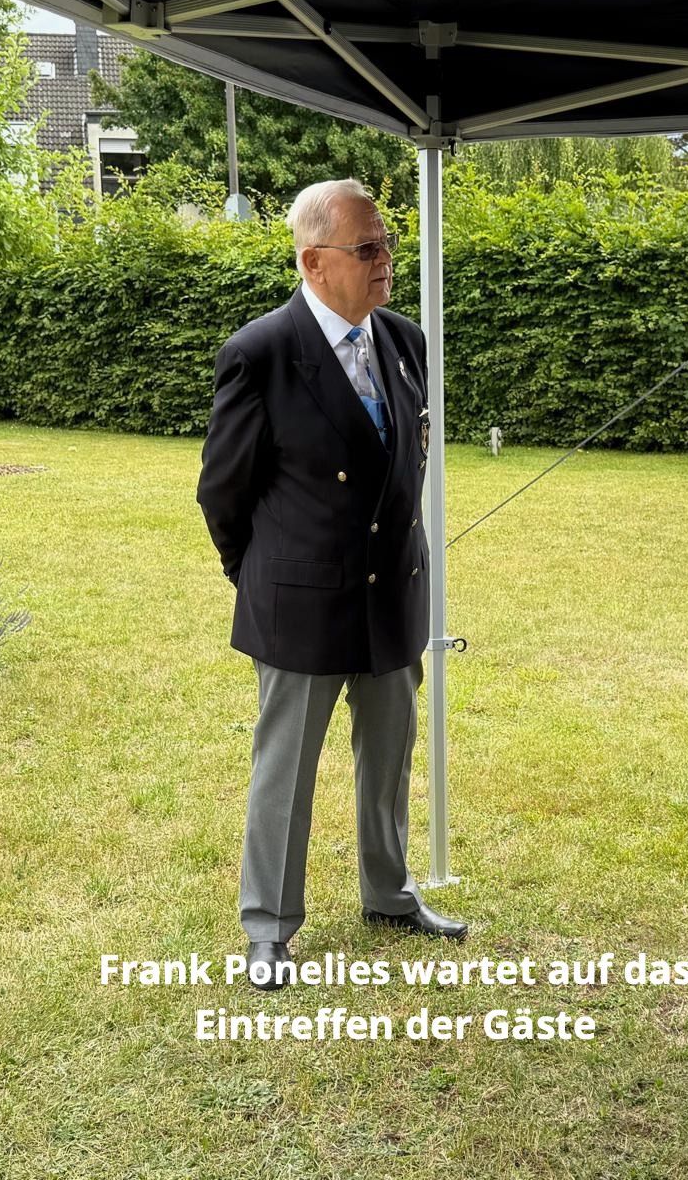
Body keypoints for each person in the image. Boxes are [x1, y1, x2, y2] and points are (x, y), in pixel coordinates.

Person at [196, 178, 467, 992]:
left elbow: (405, 462)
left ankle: (389, 894)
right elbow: (223, 491)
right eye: (368, 248)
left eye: (388, 244)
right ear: (315, 262)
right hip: (300, 603)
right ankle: (269, 926)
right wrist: (260, 577)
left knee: (388, 757)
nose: (387, 261)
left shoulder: (405, 340)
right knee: (285, 772)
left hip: (391, 595)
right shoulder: (261, 352)